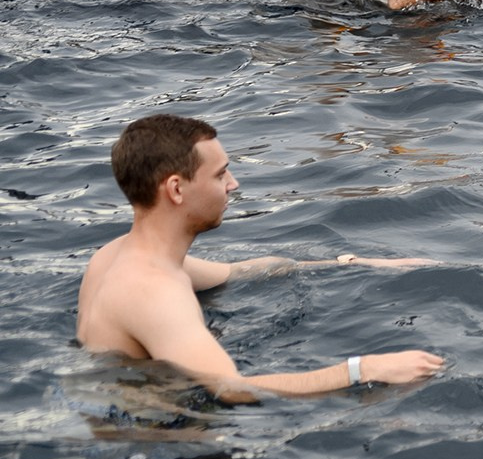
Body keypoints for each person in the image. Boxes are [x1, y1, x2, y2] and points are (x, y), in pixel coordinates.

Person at [76, 114, 444, 399]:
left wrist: (353, 265)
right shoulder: (153, 291)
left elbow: (238, 272)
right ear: (176, 188)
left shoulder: (119, 256)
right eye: (220, 174)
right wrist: (363, 369)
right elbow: (233, 389)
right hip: (163, 453)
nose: (233, 184)